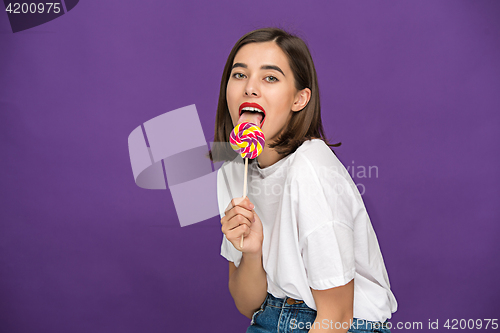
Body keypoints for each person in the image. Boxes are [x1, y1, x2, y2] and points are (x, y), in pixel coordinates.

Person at [208, 27, 397, 333]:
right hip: (268, 316)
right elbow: (247, 304)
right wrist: (252, 251)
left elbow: (337, 314)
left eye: (270, 77)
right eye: (239, 75)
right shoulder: (233, 172)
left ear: (299, 99)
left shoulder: (311, 166)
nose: (250, 88)